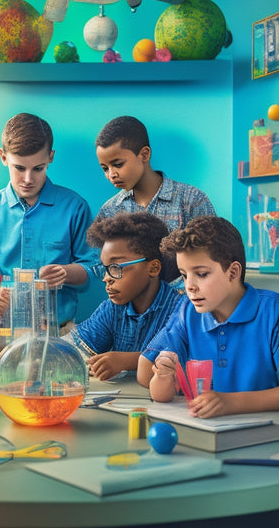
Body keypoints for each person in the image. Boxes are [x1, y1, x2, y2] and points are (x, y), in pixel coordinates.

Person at [0, 112, 99, 332]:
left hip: (61, 332)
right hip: (4, 334)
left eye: (38, 169)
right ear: (3, 157)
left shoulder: (75, 208)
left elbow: (93, 270)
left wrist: (66, 272)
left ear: (51, 157)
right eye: (19, 168)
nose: (28, 179)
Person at [137, 216, 279, 418]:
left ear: (233, 272)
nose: (189, 286)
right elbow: (147, 376)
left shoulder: (273, 312)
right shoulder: (187, 312)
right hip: (207, 432)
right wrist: (163, 375)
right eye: (184, 275)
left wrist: (229, 403)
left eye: (201, 274)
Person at [63, 212, 184, 381]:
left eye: (116, 267)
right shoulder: (112, 308)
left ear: (153, 268)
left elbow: (187, 360)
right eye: (105, 268)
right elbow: (71, 349)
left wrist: (128, 360)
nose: (107, 278)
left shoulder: (182, 309)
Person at [96, 116, 216, 233]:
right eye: (105, 168)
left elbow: (213, 251)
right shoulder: (109, 210)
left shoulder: (192, 200)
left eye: (118, 164)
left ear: (144, 154)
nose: (111, 175)